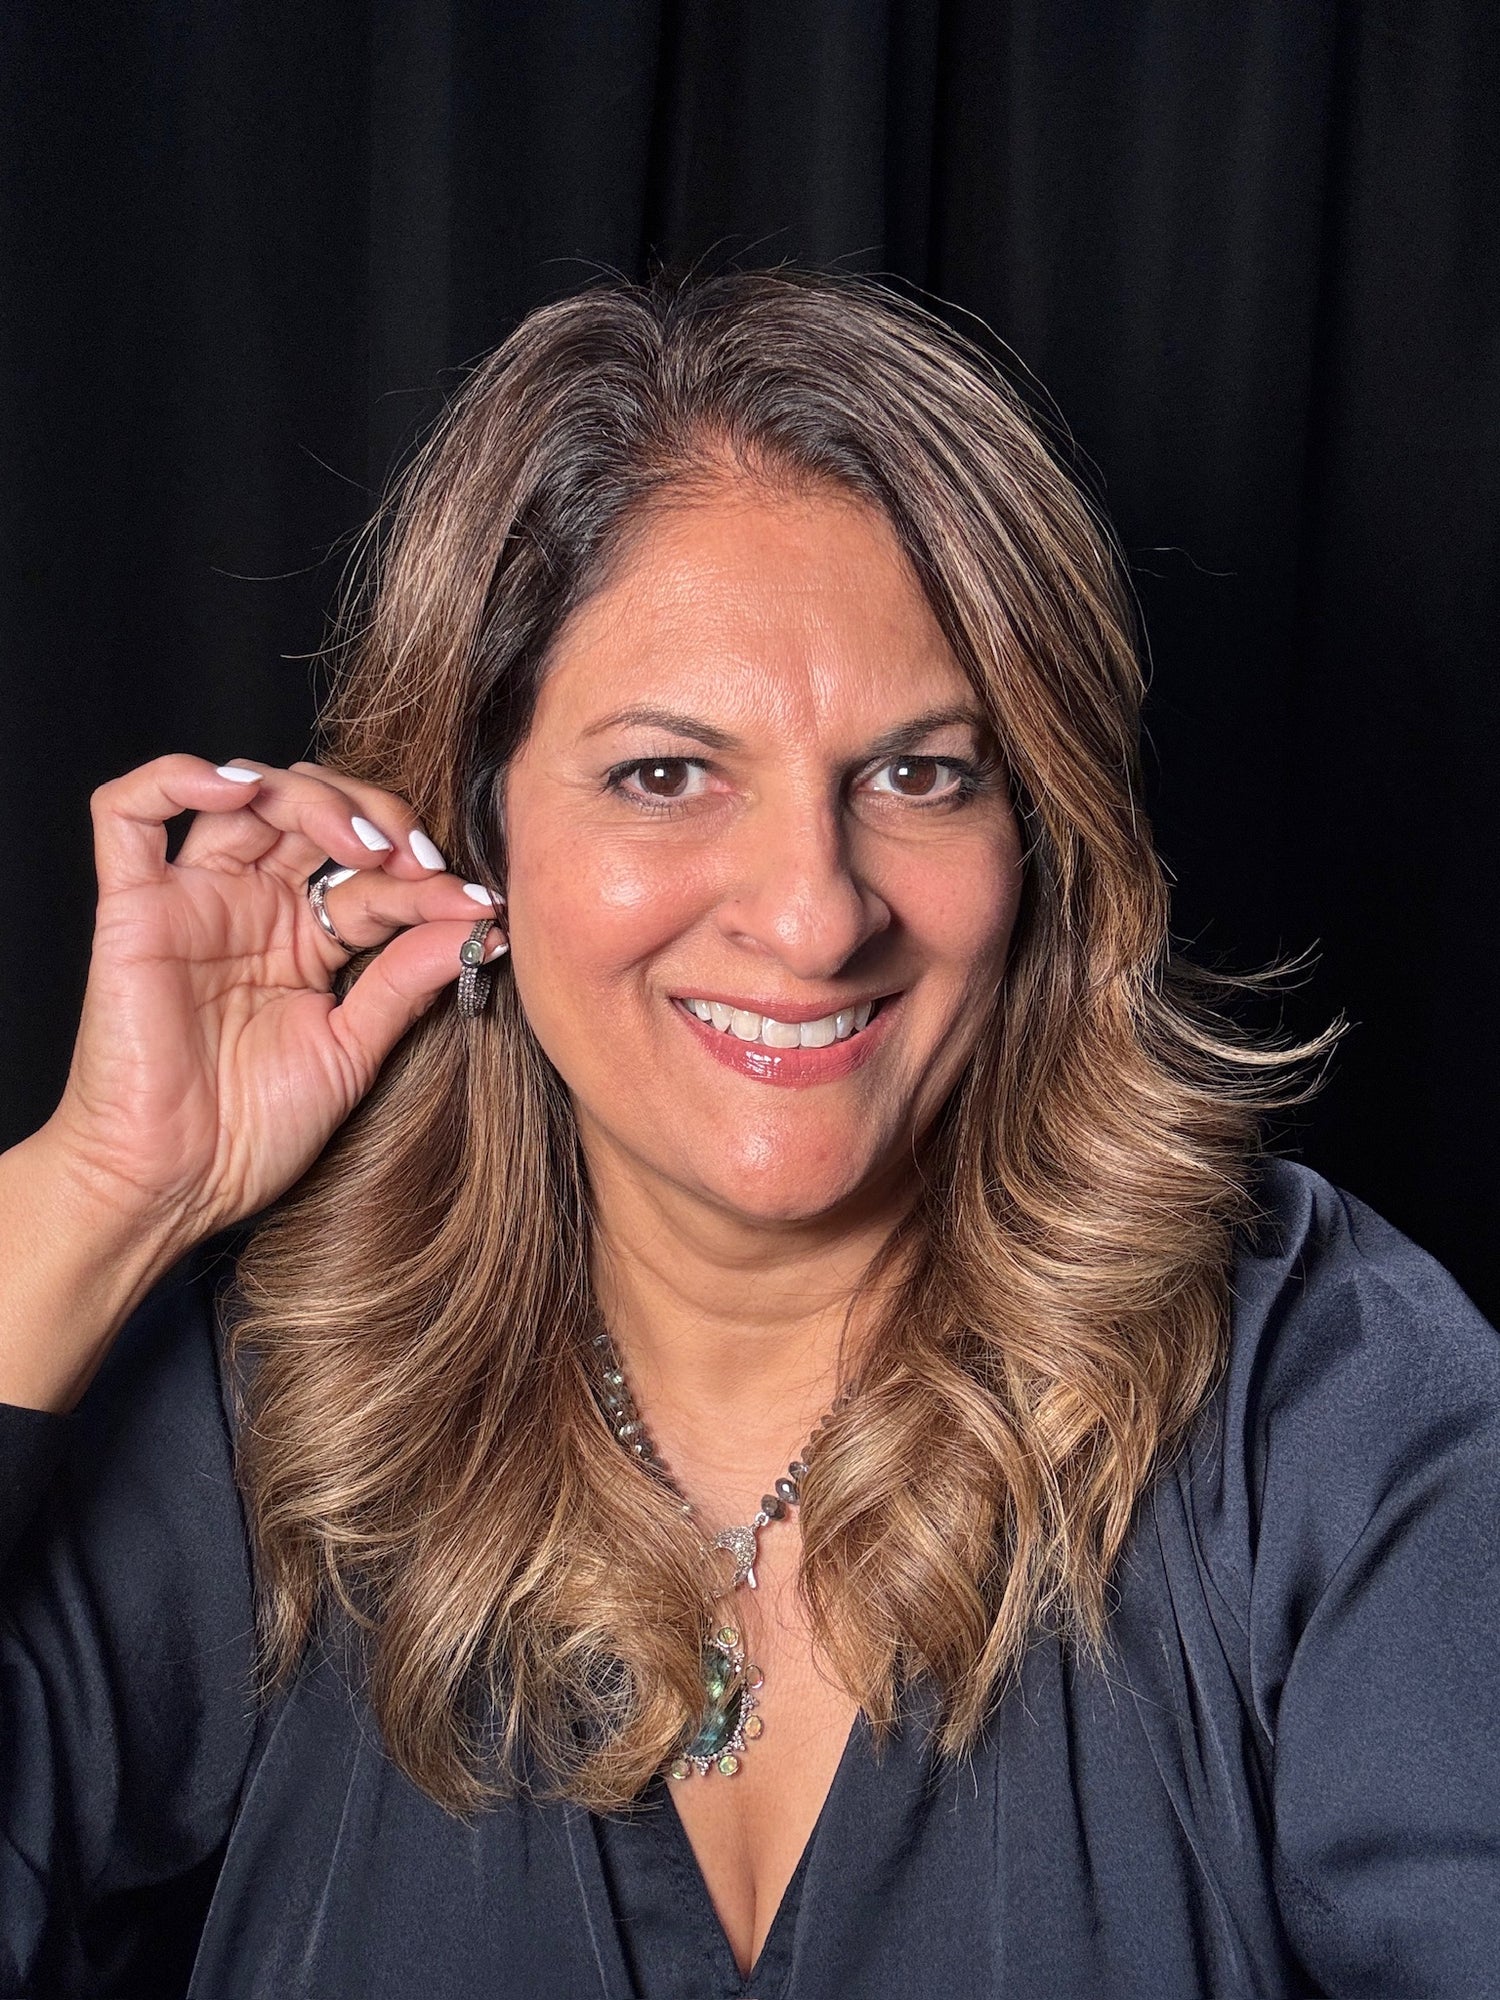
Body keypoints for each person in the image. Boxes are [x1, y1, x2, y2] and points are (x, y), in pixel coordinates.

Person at [0, 269, 1495, 2000]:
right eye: (665, 774)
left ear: (1042, 831)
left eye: (922, 773)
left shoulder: (1318, 1395)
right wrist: (98, 1189)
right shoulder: (280, 1409)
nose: (811, 913)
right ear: (471, 829)